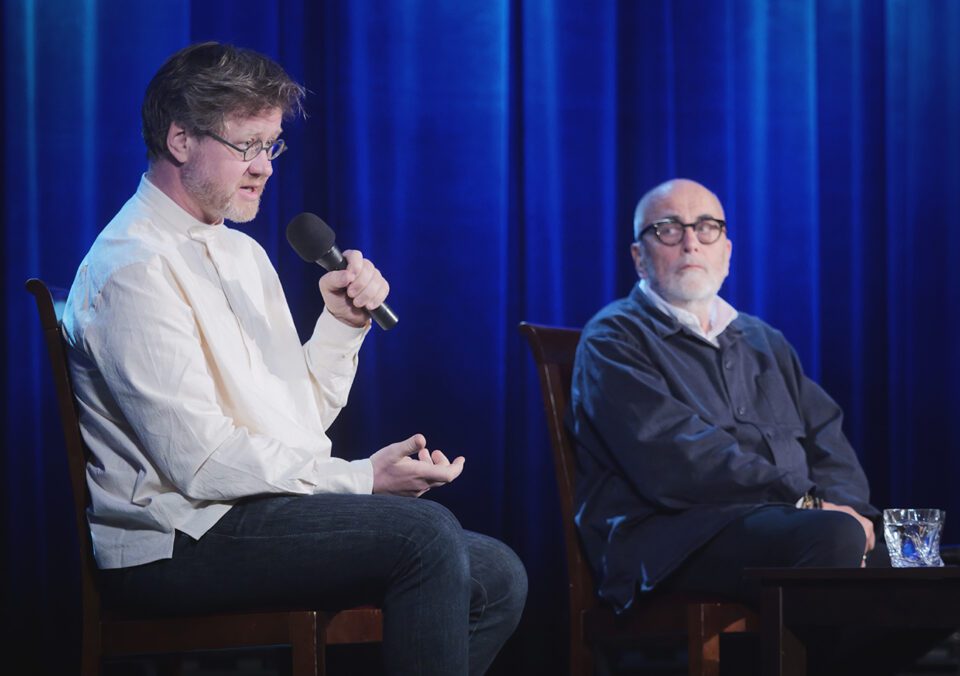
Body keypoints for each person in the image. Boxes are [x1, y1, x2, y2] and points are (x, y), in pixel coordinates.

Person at [62, 42, 526, 675]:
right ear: (179, 140)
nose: (265, 169)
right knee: (425, 535)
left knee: (499, 574)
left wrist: (341, 326)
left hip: (253, 513)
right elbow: (202, 462)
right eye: (247, 146)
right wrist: (361, 481)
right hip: (175, 541)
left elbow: (297, 424)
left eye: (272, 146)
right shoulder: (131, 269)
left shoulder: (242, 255)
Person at [569, 178, 880, 613]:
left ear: (727, 252)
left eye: (707, 227)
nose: (691, 243)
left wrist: (850, 509)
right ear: (639, 258)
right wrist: (809, 502)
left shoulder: (764, 340)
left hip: (787, 521)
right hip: (673, 539)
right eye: (668, 229)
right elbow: (677, 458)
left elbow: (828, 440)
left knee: (910, 557)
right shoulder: (614, 338)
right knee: (833, 537)